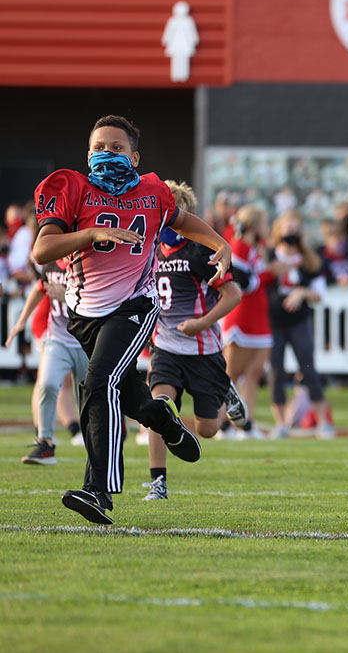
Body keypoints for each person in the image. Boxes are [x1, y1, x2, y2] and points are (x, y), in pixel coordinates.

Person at [32, 114, 231, 524]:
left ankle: (98, 490)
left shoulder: (153, 191)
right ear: (87, 154)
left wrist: (218, 242)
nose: (107, 153)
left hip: (135, 307)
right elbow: (43, 250)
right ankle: (164, 421)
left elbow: (180, 220)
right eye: (99, 147)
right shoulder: (72, 188)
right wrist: (90, 235)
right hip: (84, 313)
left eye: (117, 147)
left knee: (98, 381)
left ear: (135, 157)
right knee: (128, 394)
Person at [141, 180, 245, 500]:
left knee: (207, 430)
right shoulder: (149, 248)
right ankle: (158, 482)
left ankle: (224, 387)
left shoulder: (199, 251)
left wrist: (202, 323)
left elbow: (233, 295)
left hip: (203, 349)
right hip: (166, 346)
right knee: (157, 408)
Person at [6, 256, 87, 463]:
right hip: (57, 338)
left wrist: (66, 296)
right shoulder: (51, 264)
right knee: (47, 384)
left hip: (86, 339)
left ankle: (99, 442)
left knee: (92, 393)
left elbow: (101, 297)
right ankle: (45, 443)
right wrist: (22, 321)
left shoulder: (87, 262)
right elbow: (39, 288)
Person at [267, 211, 335, 439]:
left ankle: (322, 422)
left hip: (299, 321)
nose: (291, 234)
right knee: (276, 371)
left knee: (308, 368)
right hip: (273, 321)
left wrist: (302, 292)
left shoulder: (309, 259)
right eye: (288, 229)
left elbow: (319, 293)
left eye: (295, 230)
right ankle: (281, 423)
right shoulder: (269, 256)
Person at [219, 205, 280, 439]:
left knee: (254, 372)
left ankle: (246, 423)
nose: (268, 227)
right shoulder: (239, 246)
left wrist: (272, 271)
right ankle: (223, 425)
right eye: (265, 223)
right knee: (231, 374)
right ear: (254, 225)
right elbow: (241, 283)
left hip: (259, 318)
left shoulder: (258, 248)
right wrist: (270, 273)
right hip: (241, 317)